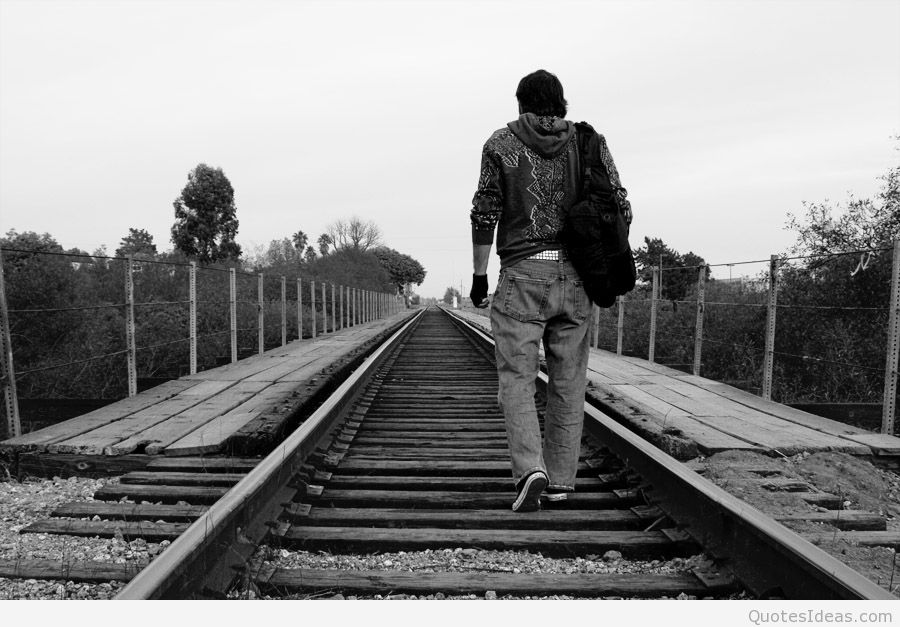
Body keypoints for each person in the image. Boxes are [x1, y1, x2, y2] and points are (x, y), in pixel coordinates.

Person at [469, 69, 596, 512]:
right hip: (578, 278)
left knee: (517, 379)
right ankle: (561, 480)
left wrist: (480, 276)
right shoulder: (587, 142)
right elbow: (620, 202)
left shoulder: (500, 144)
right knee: (568, 381)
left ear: (521, 104)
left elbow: (485, 212)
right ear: (561, 103)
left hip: (523, 273)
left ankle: (531, 470)